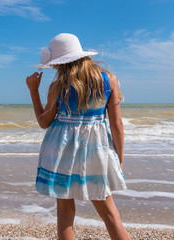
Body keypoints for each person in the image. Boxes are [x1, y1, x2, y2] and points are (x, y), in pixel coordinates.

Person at [26, 33, 131, 240]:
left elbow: (43, 122)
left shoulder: (57, 87)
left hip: (61, 148)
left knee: (65, 213)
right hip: (96, 150)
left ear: (60, 63)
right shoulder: (108, 79)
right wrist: (118, 156)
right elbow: (117, 124)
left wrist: (33, 91)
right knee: (109, 212)